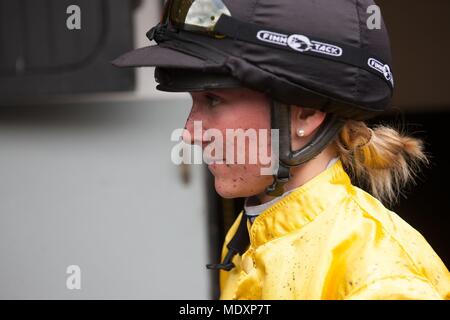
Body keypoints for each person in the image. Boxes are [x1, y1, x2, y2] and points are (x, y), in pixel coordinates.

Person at [113, 0, 450, 299]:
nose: (189, 132)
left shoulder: (380, 281)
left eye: (213, 99)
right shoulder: (253, 231)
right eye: (194, 102)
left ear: (306, 111)